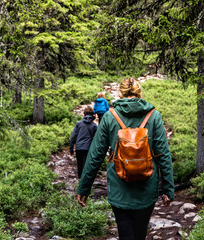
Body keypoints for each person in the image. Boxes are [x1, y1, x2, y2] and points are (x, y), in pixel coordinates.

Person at [77, 78, 174, 240]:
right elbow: (163, 154)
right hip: (147, 189)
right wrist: (168, 189)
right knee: (140, 234)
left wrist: (84, 188)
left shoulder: (109, 117)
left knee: (125, 234)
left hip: (119, 189)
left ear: (120, 93)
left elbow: (95, 155)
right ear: (139, 92)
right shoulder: (154, 116)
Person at [70, 106, 98, 179]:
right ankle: (86, 183)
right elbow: (97, 139)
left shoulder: (79, 124)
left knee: (79, 165)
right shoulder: (94, 126)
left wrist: (71, 149)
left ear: (84, 114)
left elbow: (73, 137)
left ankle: (80, 181)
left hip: (79, 148)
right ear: (92, 114)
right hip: (89, 148)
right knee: (87, 166)